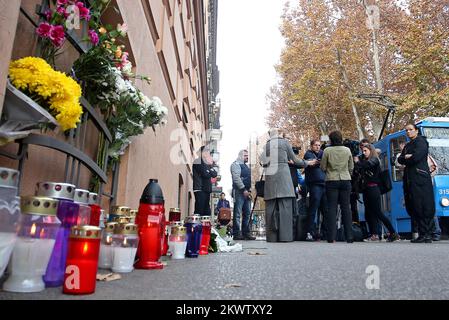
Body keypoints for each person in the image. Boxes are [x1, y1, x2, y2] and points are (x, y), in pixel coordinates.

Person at [260, 128, 317, 242]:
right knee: (285, 208)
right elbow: (295, 160)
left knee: (271, 209)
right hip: (283, 179)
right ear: (280, 134)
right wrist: (308, 163)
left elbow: (262, 161)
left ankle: (272, 237)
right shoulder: (284, 142)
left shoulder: (266, 146)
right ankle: (285, 237)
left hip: (270, 179)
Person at [398, 123, 436, 243]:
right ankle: (422, 233)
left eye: (410, 130)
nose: (408, 132)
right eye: (406, 130)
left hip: (420, 179)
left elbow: (417, 157)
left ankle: (428, 234)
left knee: (425, 205)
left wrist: (408, 158)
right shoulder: (408, 145)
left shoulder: (421, 142)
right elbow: (400, 159)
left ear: (416, 131)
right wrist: (406, 157)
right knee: (415, 207)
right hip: (411, 180)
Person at [354, 144, 400, 242]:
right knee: (370, 213)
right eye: (363, 151)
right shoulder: (365, 161)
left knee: (378, 212)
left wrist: (358, 162)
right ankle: (374, 234)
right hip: (366, 189)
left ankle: (393, 232)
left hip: (373, 189)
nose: (364, 153)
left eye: (365, 150)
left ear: (371, 150)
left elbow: (366, 165)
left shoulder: (374, 160)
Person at [320, 130, 354, 243]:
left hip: (331, 180)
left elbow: (323, 167)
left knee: (332, 208)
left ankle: (331, 237)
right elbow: (351, 166)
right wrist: (346, 172)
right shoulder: (347, 150)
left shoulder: (327, 150)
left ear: (331, 139)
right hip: (345, 179)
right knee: (346, 208)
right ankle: (349, 236)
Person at [304, 139, 327, 240]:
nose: (318, 147)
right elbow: (311, 163)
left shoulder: (323, 152)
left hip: (324, 184)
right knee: (313, 208)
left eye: (319, 145)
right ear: (311, 146)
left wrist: (318, 162)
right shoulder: (308, 154)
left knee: (325, 209)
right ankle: (309, 231)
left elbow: (321, 162)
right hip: (314, 185)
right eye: (316, 145)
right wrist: (320, 162)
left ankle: (325, 232)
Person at [230, 150, 255, 240]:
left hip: (246, 192)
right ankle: (237, 234)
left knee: (247, 214)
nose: (247, 157)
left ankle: (246, 233)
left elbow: (248, 179)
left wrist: (249, 190)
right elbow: (236, 178)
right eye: (245, 155)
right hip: (239, 191)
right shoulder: (235, 164)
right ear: (240, 156)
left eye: (247, 155)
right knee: (237, 213)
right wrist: (243, 189)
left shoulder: (245, 166)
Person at [193, 146, 217, 216]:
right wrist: (209, 171)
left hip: (207, 190)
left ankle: (203, 227)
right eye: (206, 152)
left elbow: (214, 174)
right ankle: (196, 226)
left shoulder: (208, 164)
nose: (208, 154)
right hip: (200, 189)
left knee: (206, 213)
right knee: (199, 211)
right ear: (202, 153)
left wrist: (209, 170)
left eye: (208, 152)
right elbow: (205, 174)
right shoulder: (197, 161)